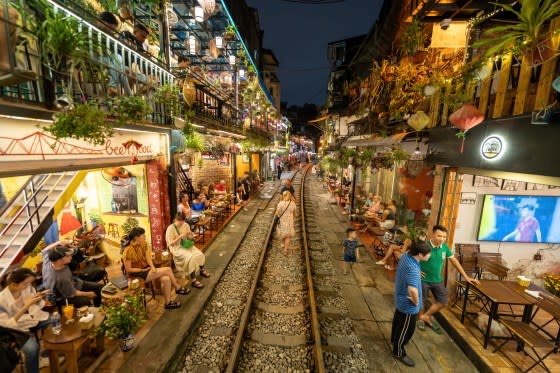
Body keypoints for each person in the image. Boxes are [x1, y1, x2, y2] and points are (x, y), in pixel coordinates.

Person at [418, 225, 480, 333]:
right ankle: (421, 319)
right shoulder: (424, 246)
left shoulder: (445, 247)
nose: (442, 239)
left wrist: (466, 277)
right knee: (422, 301)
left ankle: (426, 316)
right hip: (423, 280)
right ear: (432, 235)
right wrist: (416, 270)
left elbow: (454, 262)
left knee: (443, 302)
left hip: (438, 280)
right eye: (439, 236)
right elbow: (409, 258)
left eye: (444, 236)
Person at [122, 227, 190, 309]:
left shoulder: (143, 243)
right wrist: (143, 270)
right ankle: (178, 288)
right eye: (143, 235)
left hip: (146, 269)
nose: (145, 236)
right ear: (136, 237)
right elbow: (129, 269)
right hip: (137, 274)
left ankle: (168, 303)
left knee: (166, 279)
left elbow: (147, 257)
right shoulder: (128, 251)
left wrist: (152, 266)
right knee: (168, 269)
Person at [0, 268, 50, 373]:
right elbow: (7, 325)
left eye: (30, 283)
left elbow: (35, 307)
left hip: (29, 319)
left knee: (53, 320)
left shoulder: (26, 288)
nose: (28, 286)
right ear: (13, 284)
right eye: (25, 283)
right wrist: (27, 305)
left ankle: (48, 351)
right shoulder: (2, 300)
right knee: (32, 349)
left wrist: (39, 299)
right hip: (14, 330)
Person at [391, 241, 432, 367]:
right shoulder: (413, 268)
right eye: (427, 254)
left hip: (400, 298)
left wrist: (415, 274)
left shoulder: (406, 256)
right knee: (407, 329)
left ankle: (394, 340)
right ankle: (398, 352)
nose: (429, 256)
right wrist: (416, 302)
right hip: (408, 304)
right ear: (420, 254)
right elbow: (412, 290)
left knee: (398, 321)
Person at [165, 213, 210, 289]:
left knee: (199, 254)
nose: (181, 223)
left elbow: (189, 238)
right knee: (191, 258)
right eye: (180, 221)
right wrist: (179, 237)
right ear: (175, 220)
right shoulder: (170, 228)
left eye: (183, 221)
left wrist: (191, 235)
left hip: (186, 245)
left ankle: (202, 270)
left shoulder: (186, 225)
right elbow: (170, 244)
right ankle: (193, 280)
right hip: (177, 248)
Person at [98, 11, 132, 96]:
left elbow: (114, 50)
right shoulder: (90, 27)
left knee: (118, 60)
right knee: (119, 63)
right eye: (110, 28)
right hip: (90, 55)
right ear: (104, 22)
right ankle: (128, 95)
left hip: (103, 59)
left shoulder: (106, 35)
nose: (110, 31)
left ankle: (114, 88)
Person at [275, 191, 297, 255]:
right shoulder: (293, 203)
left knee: (282, 233)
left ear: (283, 196)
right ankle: (285, 250)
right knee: (288, 236)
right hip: (290, 221)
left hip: (282, 221)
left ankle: (283, 244)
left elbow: (277, 213)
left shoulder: (280, 203)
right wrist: (293, 218)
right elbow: (295, 213)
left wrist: (279, 215)